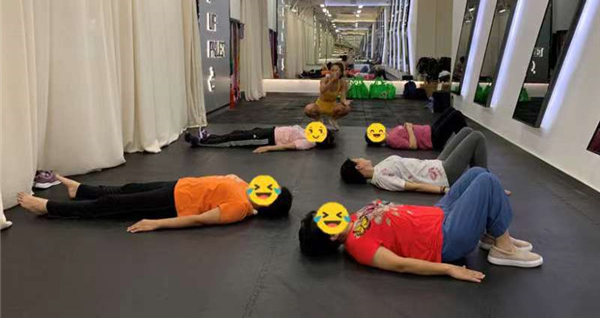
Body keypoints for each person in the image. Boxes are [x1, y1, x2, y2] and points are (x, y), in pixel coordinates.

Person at [299, 168, 543, 283]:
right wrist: (449, 269)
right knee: (487, 182)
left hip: (439, 214)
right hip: (446, 239)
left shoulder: (353, 218)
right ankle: (503, 248)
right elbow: (400, 265)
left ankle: (492, 234)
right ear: (332, 237)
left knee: (476, 173)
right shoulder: (357, 245)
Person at [17, 174, 292, 232]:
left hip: (170, 203)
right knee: (128, 187)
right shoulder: (246, 187)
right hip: (177, 185)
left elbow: (199, 220)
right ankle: (80, 189)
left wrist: (157, 223)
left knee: (113, 204)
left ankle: (48, 207)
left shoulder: (240, 208)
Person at [344, 128, 497, 193]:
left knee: (466, 131)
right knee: (477, 137)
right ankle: (487, 185)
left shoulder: (379, 168)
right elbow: (414, 187)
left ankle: (480, 180)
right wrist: (443, 190)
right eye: (358, 159)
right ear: (358, 167)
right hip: (442, 175)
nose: (361, 157)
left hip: (435, 164)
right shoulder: (380, 178)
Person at [184, 125, 335, 153]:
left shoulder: (308, 142)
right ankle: (209, 137)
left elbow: (287, 146)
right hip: (270, 131)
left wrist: (266, 148)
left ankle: (201, 142)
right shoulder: (309, 133)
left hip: (267, 139)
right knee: (237, 132)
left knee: (234, 140)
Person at [374, 107, 467, 151]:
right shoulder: (391, 140)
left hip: (430, 130)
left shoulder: (390, 133)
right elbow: (413, 146)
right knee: (456, 115)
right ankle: (468, 141)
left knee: (450, 110)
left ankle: (465, 140)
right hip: (433, 140)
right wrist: (409, 128)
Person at [304, 62, 350, 130]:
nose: (333, 72)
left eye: (336, 70)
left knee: (347, 108)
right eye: (332, 70)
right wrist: (332, 81)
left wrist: (345, 102)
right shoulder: (324, 79)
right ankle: (318, 119)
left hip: (332, 106)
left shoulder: (342, 83)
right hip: (320, 105)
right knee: (308, 109)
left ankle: (333, 119)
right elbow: (322, 90)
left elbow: (342, 98)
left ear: (340, 73)